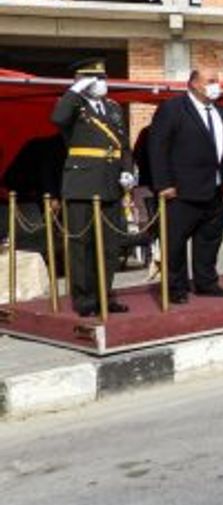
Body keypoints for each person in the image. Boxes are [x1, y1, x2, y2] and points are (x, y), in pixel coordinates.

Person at [50, 59, 135, 317]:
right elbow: (57, 118)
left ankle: (104, 296)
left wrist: (127, 170)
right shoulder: (73, 105)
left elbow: (123, 144)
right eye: (95, 78)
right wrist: (75, 90)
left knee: (109, 246)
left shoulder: (113, 107)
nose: (102, 83)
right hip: (82, 184)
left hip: (111, 184)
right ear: (83, 80)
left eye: (103, 78)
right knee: (82, 245)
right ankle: (85, 300)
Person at [148, 70, 223, 303]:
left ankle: (206, 282)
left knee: (209, 239)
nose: (216, 86)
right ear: (195, 84)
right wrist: (163, 183)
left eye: (217, 81)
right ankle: (176, 288)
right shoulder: (173, 108)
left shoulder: (221, 112)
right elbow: (158, 147)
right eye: (211, 81)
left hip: (215, 189)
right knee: (175, 242)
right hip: (181, 190)